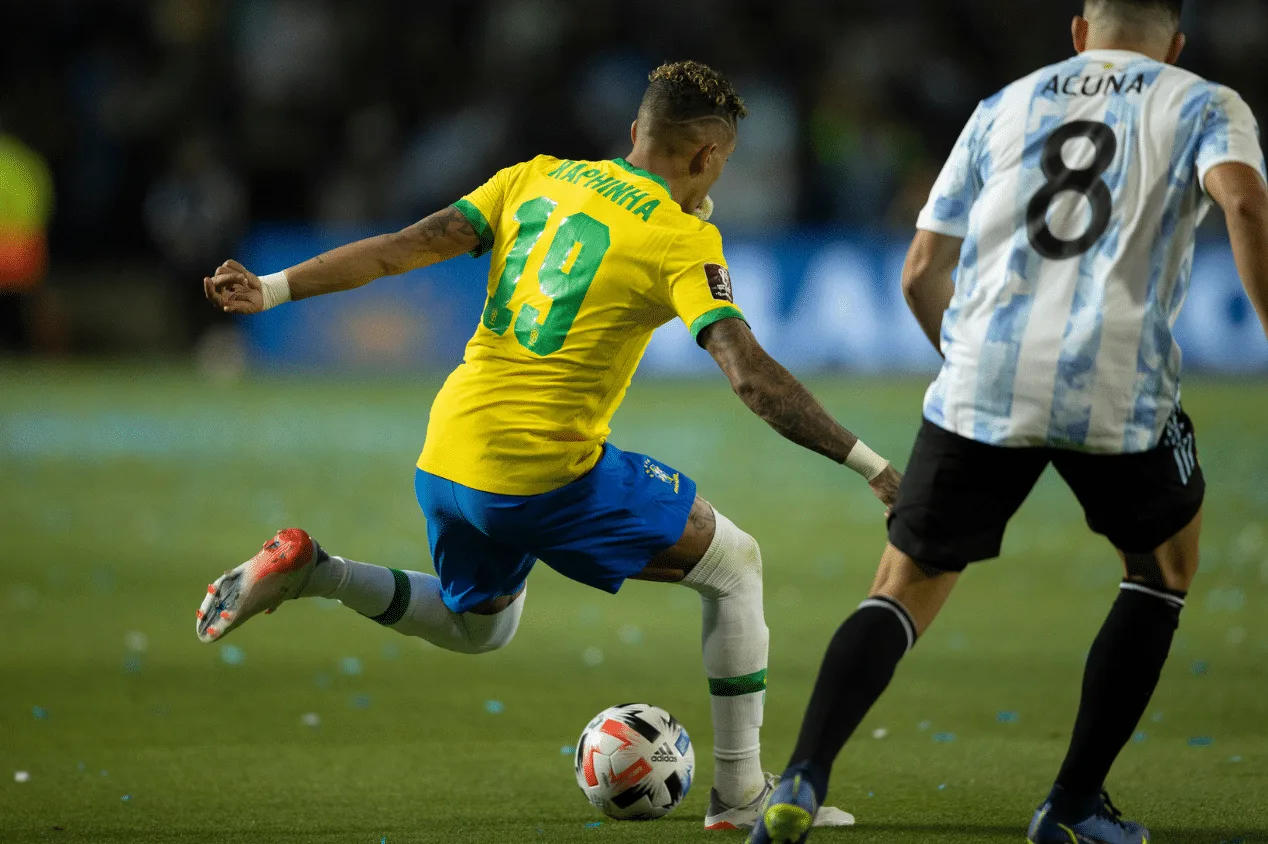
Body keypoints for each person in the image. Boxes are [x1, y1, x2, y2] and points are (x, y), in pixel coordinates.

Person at [198, 60, 902, 831]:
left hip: (447, 451)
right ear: (706, 157)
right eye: (720, 162)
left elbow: (402, 247)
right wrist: (871, 465)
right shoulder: (681, 237)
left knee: (480, 626)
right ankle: (739, 796)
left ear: (636, 133)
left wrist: (270, 288)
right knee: (736, 567)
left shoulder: (532, 177)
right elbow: (751, 376)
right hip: (539, 473)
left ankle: (317, 572)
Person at [751, 2, 1268, 843]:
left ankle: (803, 778)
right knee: (1163, 568)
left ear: (1077, 32)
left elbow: (922, 271)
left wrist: (969, 367)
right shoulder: (1205, 102)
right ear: (1175, 45)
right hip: (1115, 379)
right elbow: (1244, 207)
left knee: (903, 586)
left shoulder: (1005, 103)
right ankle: (1069, 808)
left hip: (983, 378)